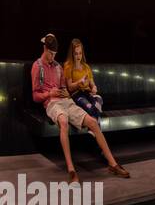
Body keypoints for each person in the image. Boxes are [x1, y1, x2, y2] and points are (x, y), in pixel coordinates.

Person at [31, 34, 129, 183]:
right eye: (50, 53)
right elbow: (35, 96)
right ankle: (71, 170)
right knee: (63, 121)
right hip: (52, 103)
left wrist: (64, 91)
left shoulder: (58, 67)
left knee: (93, 122)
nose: (52, 57)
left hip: (66, 101)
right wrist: (49, 93)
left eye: (55, 54)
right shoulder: (37, 67)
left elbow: (65, 87)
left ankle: (112, 164)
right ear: (44, 48)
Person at [64, 38, 104, 118]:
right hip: (77, 95)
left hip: (88, 93)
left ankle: (92, 129)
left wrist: (94, 88)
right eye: (76, 54)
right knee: (91, 108)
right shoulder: (68, 67)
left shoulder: (86, 67)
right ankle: (95, 127)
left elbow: (92, 84)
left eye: (80, 53)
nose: (78, 56)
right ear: (72, 54)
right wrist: (79, 83)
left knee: (99, 100)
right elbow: (70, 87)